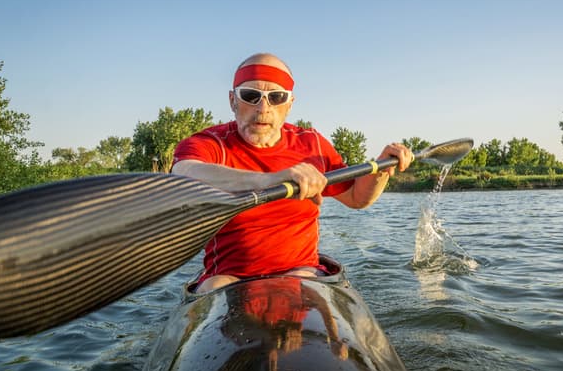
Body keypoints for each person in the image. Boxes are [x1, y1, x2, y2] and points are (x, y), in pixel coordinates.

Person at [172, 53, 413, 293]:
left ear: (289, 104)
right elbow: (183, 174)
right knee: (217, 286)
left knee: (301, 282)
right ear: (233, 101)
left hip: (300, 270)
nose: (263, 108)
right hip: (228, 276)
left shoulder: (312, 144)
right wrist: (271, 179)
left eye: (276, 97)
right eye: (250, 96)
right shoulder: (210, 144)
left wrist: (382, 167)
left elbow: (357, 198)